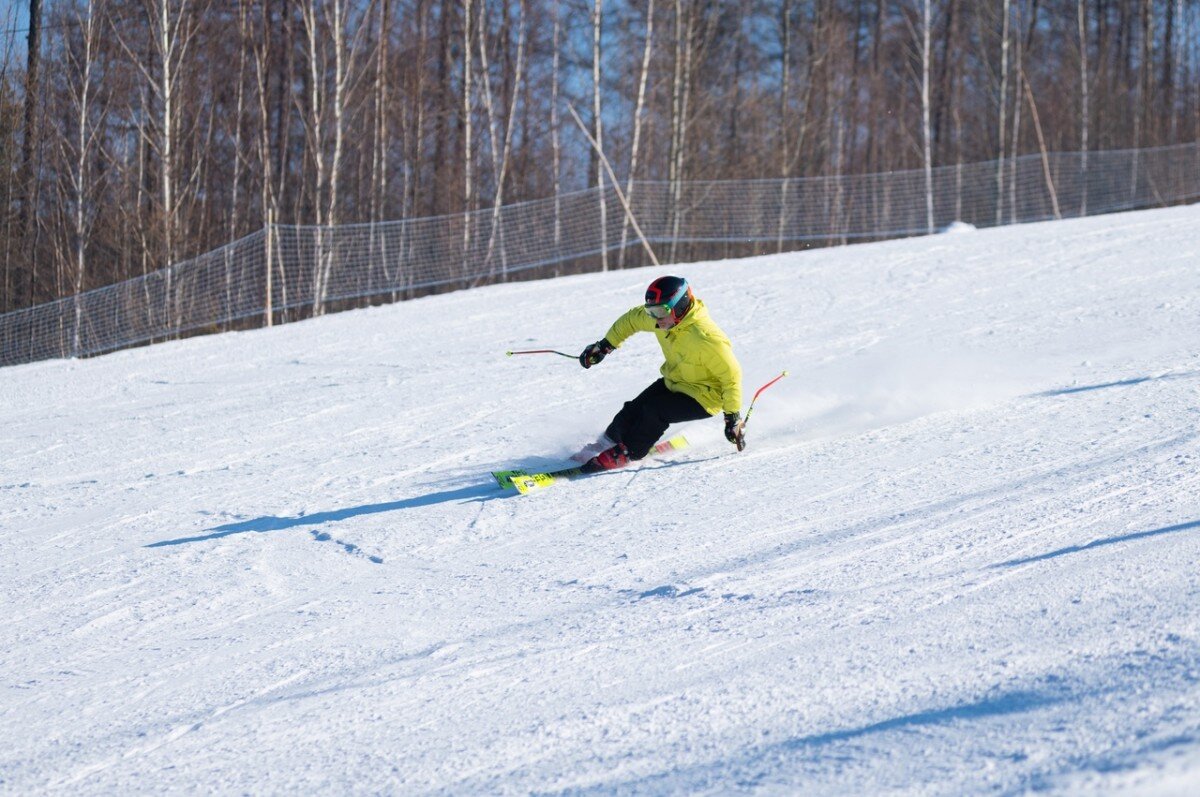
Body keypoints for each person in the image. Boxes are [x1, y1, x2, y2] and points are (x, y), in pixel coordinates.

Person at [576, 275, 745, 472]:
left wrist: (732, 417)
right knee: (633, 409)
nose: (655, 318)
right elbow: (631, 320)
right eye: (651, 312)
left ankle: (629, 451)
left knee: (654, 412)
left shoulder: (706, 338)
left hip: (705, 397)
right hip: (676, 381)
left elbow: (731, 377)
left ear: (680, 306)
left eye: (660, 311)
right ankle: (606, 443)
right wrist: (605, 346)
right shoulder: (663, 320)